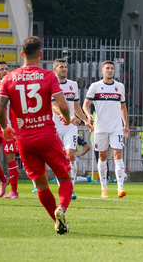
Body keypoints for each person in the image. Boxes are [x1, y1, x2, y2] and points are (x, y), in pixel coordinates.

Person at [0, 36, 72, 235]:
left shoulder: (9, 78)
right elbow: (63, 105)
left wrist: (5, 128)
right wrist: (66, 117)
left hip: (25, 140)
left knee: (40, 184)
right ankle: (61, 209)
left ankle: (57, 223)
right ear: (40, 54)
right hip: (47, 136)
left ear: (22, 54)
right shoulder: (48, 76)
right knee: (64, 178)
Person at [83, 60, 130, 199]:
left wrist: (125, 124)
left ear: (114, 71)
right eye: (107, 68)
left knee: (118, 155)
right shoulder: (95, 86)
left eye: (111, 68)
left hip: (116, 127)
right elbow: (86, 104)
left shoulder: (119, 87)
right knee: (102, 157)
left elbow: (123, 106)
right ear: (102, 71)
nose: (109, 70)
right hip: (101, 127)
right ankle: (104, 188)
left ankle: (120, 188)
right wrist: (88, 115)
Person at [51, 58, 92, 200]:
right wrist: (65, 115)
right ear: (55, 69)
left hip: (70, 127)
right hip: (55, 126)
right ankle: (62, 187)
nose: (64, 69)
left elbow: (75, 105)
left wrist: (85, 120)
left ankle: (70, 189)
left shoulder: (73, 85)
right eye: (61, 67)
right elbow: (53, 106)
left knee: (71, 155)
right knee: (59, 159)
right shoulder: (52, 84)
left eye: (65, 67)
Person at [0, 61, 19, 198]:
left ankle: (14, 191)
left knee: (10, 157)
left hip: (8, 128)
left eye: (7, 69)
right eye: (1, 69)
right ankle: (3, 180)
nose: (5, 71)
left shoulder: (13, 88)